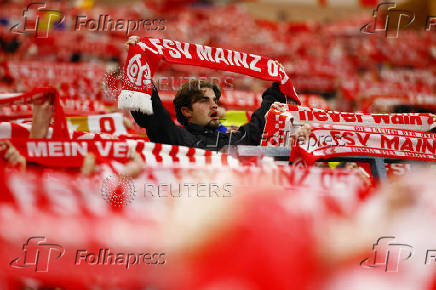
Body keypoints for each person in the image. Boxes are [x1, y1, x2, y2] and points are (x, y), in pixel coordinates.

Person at [131, 79, 291, 151]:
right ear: (186, 111)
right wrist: (138, 69)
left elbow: (264, 116)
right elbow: (152, 114)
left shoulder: (237, 137)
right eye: (204, 100)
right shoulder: (177, 139)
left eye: (215, 100)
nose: (214, 105)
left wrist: (278, 81)